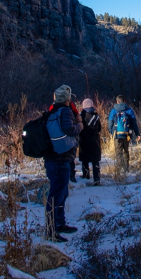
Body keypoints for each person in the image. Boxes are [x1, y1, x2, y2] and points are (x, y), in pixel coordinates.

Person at [44, 84, 82, 242]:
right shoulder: (65, 111)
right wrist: (80, 125)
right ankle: (52, 229)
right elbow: (70, 129)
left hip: (52, 158)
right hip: (61, 159)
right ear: (67, 99)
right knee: (57, 194)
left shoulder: (52, 111)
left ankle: (59, 224)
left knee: (60, 193)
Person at [108, 95, 141, 172]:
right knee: (126, 151)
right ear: (124, 101)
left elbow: (110, 123)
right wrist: (137, 134)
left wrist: (111, 132)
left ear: (117, 101)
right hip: (127, 134)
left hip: (116, 134)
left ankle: (119, 169)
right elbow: (134, 123)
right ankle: (126, 168)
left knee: (118, 152)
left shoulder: (113, 111)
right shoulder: (129, 110)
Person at [78, 98, 102, 185]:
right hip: (95, 141)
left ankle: (86, 175)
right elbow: (99, 129)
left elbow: (79, 129)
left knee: (85, 159)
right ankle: (96, 178)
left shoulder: (81, 116)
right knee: (95, 160)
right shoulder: (96, 116)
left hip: (84, 140)